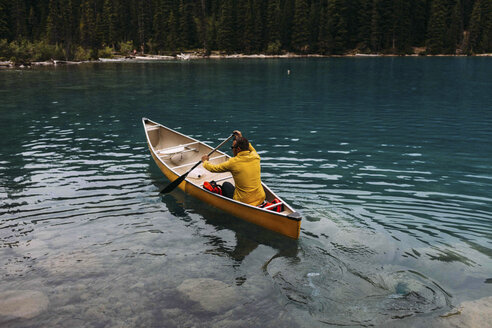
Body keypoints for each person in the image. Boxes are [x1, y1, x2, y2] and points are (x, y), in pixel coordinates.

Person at [201, 131, 265, 206]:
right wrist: (240, 138)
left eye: (232, 147)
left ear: (238, 149)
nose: (232, 149)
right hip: (261, 197)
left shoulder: (233, 162)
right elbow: (249, 147)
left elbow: (213, 168)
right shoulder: (255, 156)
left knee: (226, 184)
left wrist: (205, 162)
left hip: (244, 201)